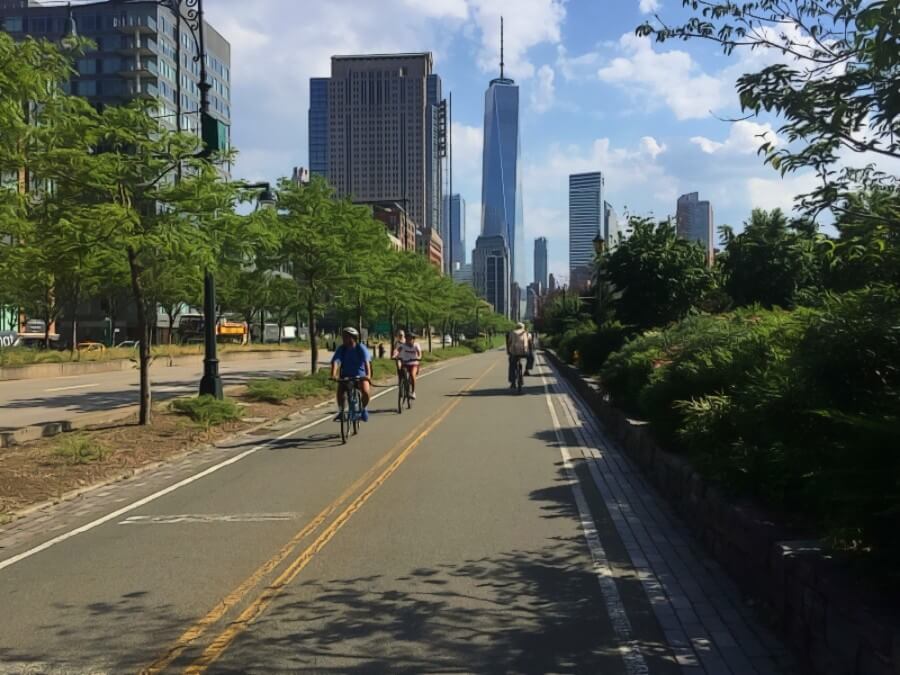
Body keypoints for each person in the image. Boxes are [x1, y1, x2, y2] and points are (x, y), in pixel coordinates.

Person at [331, 327, 372, 422]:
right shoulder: (342, 349)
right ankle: (341, 412)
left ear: (352, 338)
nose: (344, 339)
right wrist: (333, 375)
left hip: (360, 375)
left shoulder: (360, 348)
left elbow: (366, 362)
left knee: (365, 391)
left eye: (346, 336)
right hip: (346, 375)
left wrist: (368, 375)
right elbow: (335, 362)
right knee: (340, 390)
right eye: (343, 336)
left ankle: (363, 409)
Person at [392, 330, 422, 399]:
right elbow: (397, 350)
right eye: (407, 338)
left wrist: (419, 357)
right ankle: (403, 385)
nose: (408, 340)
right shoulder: (403, 345)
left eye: (410, 338)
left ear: (413, 339)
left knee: (412, 374)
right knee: (402, 373)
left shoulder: (416, 345)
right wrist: (394, 355)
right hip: (405, 363)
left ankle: (413, 392)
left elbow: (419, 353)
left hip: (414, 363)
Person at [506, 322, 531, 388]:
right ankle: (527, 370)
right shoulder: (526, 333)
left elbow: (509, 342)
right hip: (524, 352)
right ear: (523, 327)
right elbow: (530, 341)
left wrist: (508, 351)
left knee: (512, 365)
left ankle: (513, 382)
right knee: (530, 357)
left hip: (514, 352)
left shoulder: (512, 332)